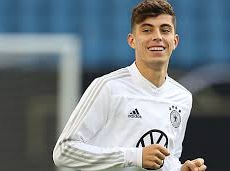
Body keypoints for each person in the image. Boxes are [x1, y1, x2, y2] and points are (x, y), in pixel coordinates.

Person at [53, 0, 207, 170]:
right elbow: (63, 151)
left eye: (165, 30)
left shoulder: (182, 97)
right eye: (147, 30)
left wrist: (179, 169)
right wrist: (133, 156)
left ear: (175, 41)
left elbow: (169, 158)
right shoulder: (108, 87)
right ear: (132, 40)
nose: (157, 36)